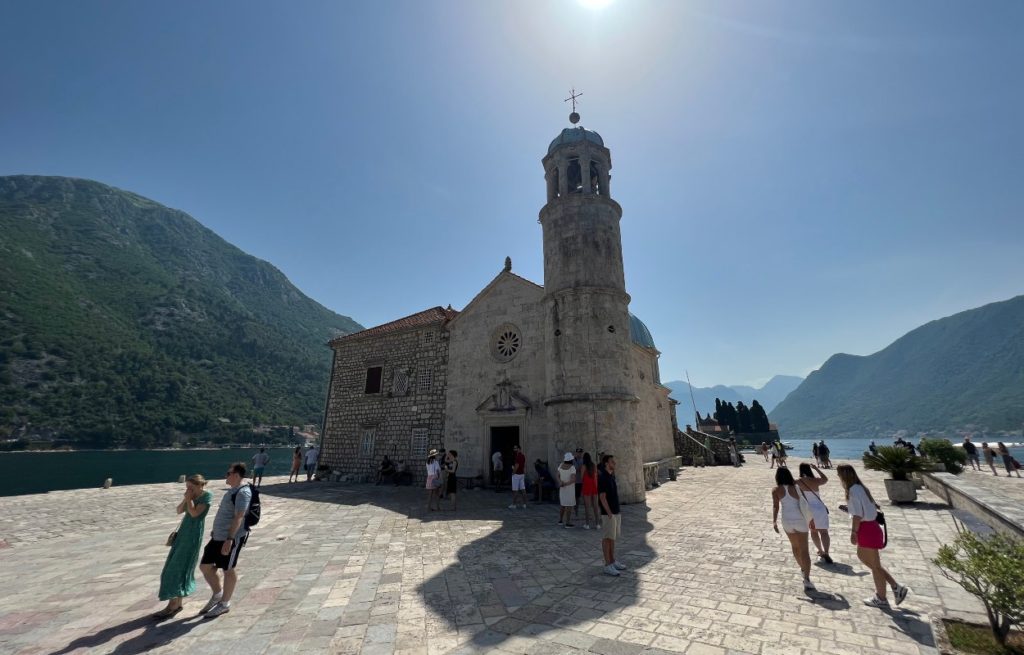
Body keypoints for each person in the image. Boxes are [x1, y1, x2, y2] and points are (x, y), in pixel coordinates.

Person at [835, 464, 909, 608]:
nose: (838, 477)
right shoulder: (861, 488)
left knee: (874, 565)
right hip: (872, 526)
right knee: (871, 562)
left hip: (866, 529)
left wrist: (853, 532)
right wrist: (849, 509)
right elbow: (868, 507)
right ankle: (892, 590)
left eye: (839, 475)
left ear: (843, 476)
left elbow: (858, 515)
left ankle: (886, 594)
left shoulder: (852, 491)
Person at [198, 463, 252, 618]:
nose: (226, 475)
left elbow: (239, 516)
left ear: (236, 475)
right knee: (205, 566)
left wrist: (230, 538)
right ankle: (217, 594)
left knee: (228, 568)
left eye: (228, 473)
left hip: (230, 538)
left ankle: (225, 603)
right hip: (218, 536)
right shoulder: (233, 491)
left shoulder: (243, 493)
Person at [154, 474, 212, 619]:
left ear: (199, 485)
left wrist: (189, 499)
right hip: (183, 533)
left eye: (190, 487)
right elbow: (179, 510)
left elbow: (194, 514)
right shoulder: (190, 497)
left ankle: (172, 605)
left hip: (192, 535)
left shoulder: (206, 496)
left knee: (177, 568)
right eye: (187, 487)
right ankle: (176, 603)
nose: (188, 490)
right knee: (173, 567)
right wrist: (185, 499)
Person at [771, 467, 815, 591]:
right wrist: (811, 519)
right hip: (800, 520)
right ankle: (806, 578)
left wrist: (774, 521)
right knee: (804, 550)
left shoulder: (776, 490)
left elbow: (775, 507)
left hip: (787, 521)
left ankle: (802, 568)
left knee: (795, 548)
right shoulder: (797, 487)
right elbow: (805, 505)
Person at [797, 463, 833, 564]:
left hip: (809, 509)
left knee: (814, 532)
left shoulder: (799, 481)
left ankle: (820, 551)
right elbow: (825, 479)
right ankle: (826, 552)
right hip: (820, 508)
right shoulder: (816, 480)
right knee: (824, 532)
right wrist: (816, 468)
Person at [598, 454, 626, 576]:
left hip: (615, 512)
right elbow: (602, 497)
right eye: (612, 462)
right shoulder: (603, 477)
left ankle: (612, 561)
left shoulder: (611, 476)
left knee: (612, 538)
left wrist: (616, 511)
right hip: (608, 514)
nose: (614, 463)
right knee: (607, 538)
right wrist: (609, 512)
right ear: (606, 464)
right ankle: (607, 565)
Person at [580, 452, 600, 530]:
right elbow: (596, 476)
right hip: (594, 486)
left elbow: (581, 477)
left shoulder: (583, 466)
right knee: (595, 506)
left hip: (586, 486)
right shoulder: (594, 465)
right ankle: (597, 524)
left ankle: (587, 524)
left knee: (587, 507)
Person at [557, 453, 577, 527]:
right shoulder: (572, 468)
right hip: (569, 489)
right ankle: (568, 522)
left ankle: (560, 520)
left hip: (562, 488)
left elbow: (558, 476)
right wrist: (565, 484)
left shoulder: (561, 465)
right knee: (569, 506)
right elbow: (573, 479)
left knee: (563, 505)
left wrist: (560, 482)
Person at [509, 444, 527, 509]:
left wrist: (513, 473)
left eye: (516, 448)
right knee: (523, 489)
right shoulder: (523, 456)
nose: (515, 449)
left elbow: (517, 465)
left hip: (516, 474)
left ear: (519, 449)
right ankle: (524, 504)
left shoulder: (518, 456)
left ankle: (514, 504)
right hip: (522, 474)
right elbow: (523, 465)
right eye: (514, 448)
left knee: (515, 490)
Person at [573, 448, 584, 519]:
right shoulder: (572, 460)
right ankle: (574, 511)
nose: (579, 454)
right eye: (578, 453)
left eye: (580, 453)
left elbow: (583, 469)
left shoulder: (583, 460)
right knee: (574, 497)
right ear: (576, 453)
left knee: (578, 497)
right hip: (574, 481)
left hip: (581, 481)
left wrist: (579, 469)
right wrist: (579, 469)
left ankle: (576, 510)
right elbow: (573, 470)